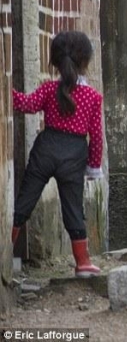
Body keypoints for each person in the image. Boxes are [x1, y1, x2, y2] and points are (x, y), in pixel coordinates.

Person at [10, 31, 104, 277]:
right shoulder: (93, 97)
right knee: (73, 209)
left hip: (46, 149)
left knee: (24, 202)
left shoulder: (49, 89)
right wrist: (94, 166)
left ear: (55, 61)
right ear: (85, 61)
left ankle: (4, 252)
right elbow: (96, 136)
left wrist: (6, 90)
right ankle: (83, 263)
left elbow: (26, 104)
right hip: (74, 155)